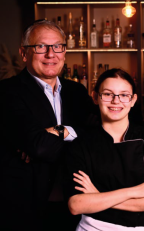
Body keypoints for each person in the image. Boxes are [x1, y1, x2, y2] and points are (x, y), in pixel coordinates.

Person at [0, 20, 94, 231]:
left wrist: (62, 131)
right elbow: (39, 146)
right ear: (24, 53)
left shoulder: (76, 92)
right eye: (41, 47)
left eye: (57, 46)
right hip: (24, 208)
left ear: (64, 52)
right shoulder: (7, 92)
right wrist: (76, 139)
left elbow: (98, 138)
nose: (51, 54)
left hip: (74, 204)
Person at [66, 68, 144, 231]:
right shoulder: (82, 145)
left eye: (124, 95)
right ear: (95, 97)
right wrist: (136, 191)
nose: (116, 101)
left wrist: (97, 196)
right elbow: (77, 205)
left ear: (133, 100)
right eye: (107, 94)